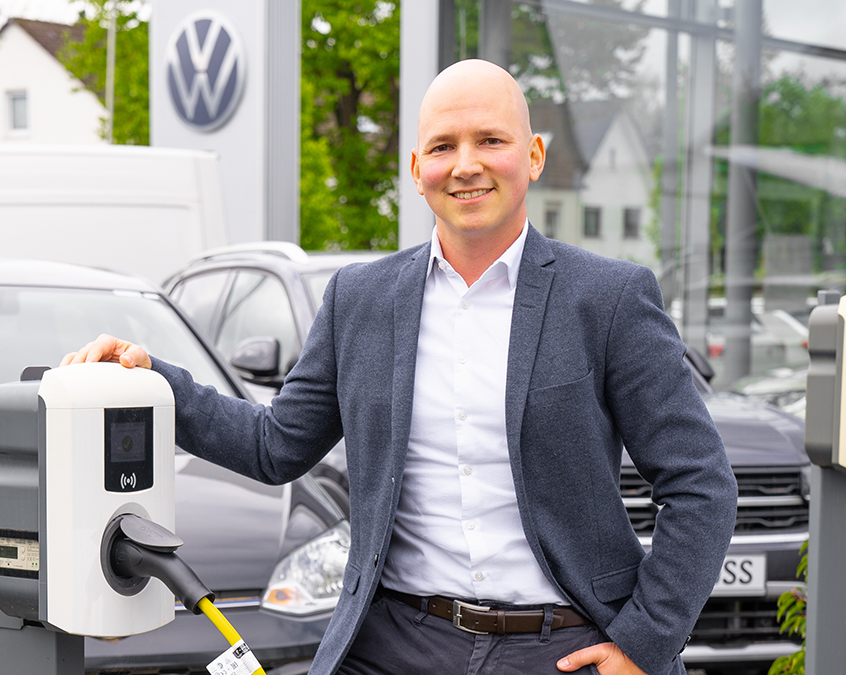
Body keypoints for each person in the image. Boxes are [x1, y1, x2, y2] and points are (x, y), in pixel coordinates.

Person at [62, 60, 737, 675]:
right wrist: (157, 381)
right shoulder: (360, 299)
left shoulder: (608, 298)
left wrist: (644, 643)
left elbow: (699, 481)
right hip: (394, 643)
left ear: (532, 157)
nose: (465, 164)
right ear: (417, 169)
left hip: (563, 646)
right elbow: (275, 446)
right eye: (443, 147)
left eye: (490, 141)